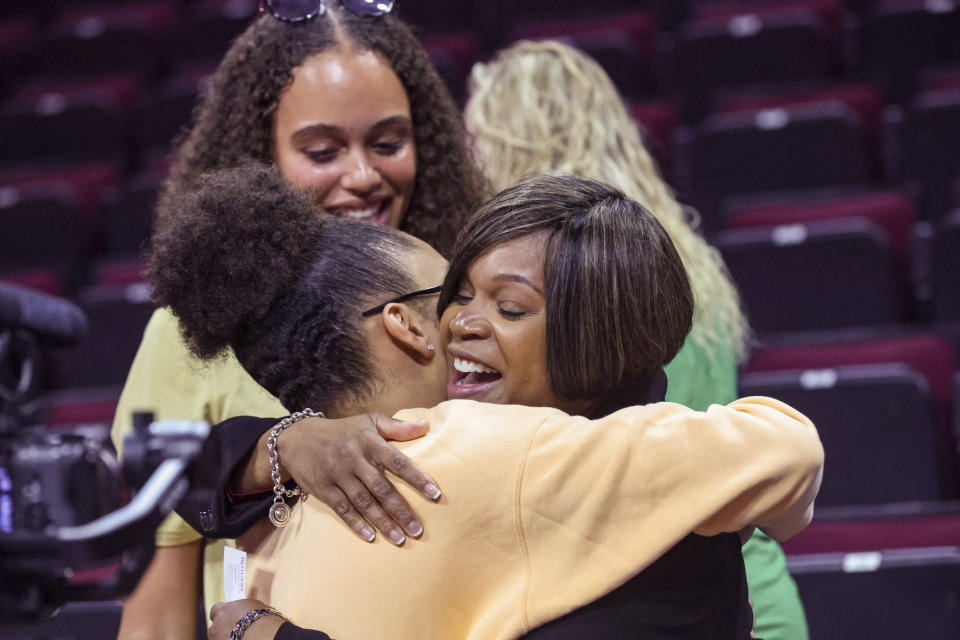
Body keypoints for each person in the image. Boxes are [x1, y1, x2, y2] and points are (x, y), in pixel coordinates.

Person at [149, 164, 822, 639]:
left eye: (508, 306)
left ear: (595, 327)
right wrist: (288, 441)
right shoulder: (456, 447)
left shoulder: (536, 452)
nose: (461, 322)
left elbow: (785, 447)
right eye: (457, 294)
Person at [113, 2, 487, 637]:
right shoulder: (190, 334)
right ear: (256, 157)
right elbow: (158, 600)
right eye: (322, 150)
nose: (364, 176)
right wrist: (283, 446)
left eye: (389, 143)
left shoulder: (466, 294)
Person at [463, 39, 807, 640]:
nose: (465, 157)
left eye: (475, 139)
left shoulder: (586, 294)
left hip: (677, 599)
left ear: (511, 140)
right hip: (743, 589)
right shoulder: (682, 261)